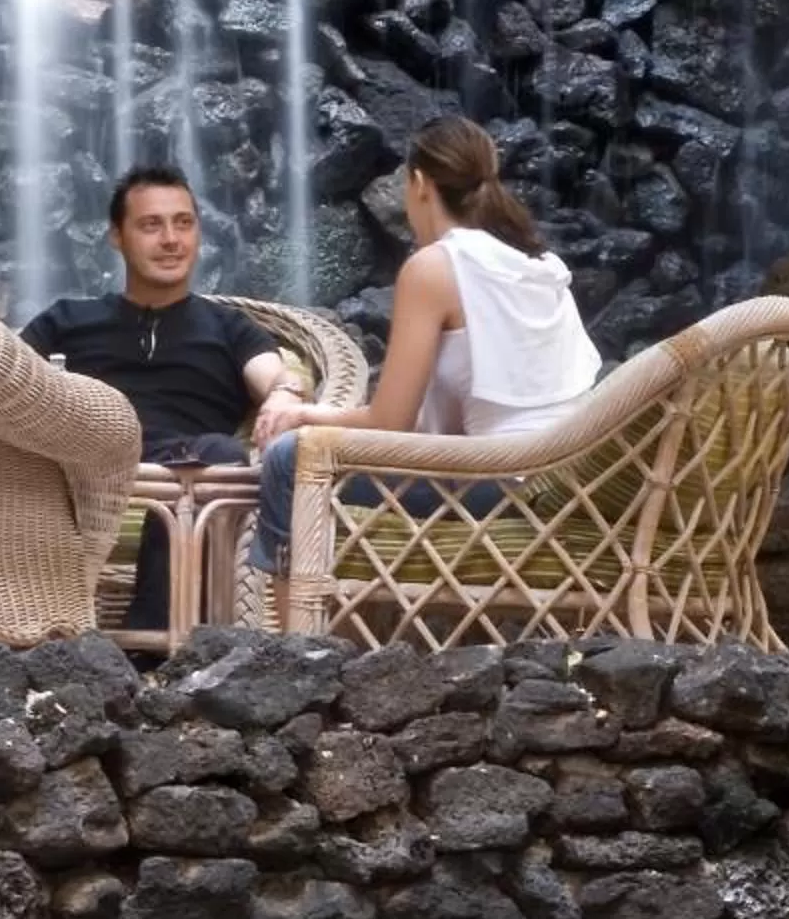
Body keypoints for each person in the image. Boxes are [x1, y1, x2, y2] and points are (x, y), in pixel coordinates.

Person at [248, 116, 602, 583]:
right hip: (566, 479)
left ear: (418, 184)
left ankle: (280, 634)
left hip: (498, 482)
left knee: (288, 458)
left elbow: (389, 424)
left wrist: (308, 417)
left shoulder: (433, 268)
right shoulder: (540, 265)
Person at [23, 165, 307, 633]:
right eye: (151, 225)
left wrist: (286, 392)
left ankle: (156, 641)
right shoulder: (68, 320)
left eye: (184, 223)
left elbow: (274, 377)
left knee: (218, 458)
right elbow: (2, 375)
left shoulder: (229, 327)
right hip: (84, 462)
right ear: (117, 236)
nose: (171, 239)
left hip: (190, 465)